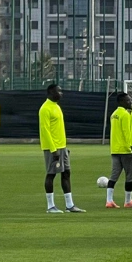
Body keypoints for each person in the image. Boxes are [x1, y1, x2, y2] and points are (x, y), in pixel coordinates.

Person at [39, 84, 85, 214]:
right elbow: (45, 130)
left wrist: (63, 147)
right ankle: (50, 206)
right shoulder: (45, 109)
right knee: (51, 174)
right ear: (51, 92)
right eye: (59, 91)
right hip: (52, 148)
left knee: (66, 173)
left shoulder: (57, 107)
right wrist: (53, 150)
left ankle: (69, 205)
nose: (61, 93)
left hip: (62, 147)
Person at [106, 93, 132, 209]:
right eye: (128, 100)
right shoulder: (125, 115)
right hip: (125, 150)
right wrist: (131, 148)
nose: (130, 102)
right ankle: (128, 201)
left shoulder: (114, 114)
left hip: (115, 149)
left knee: (114, 176)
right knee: (130, 176)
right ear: (122, 101)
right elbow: (127, 133)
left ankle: (109, 200)